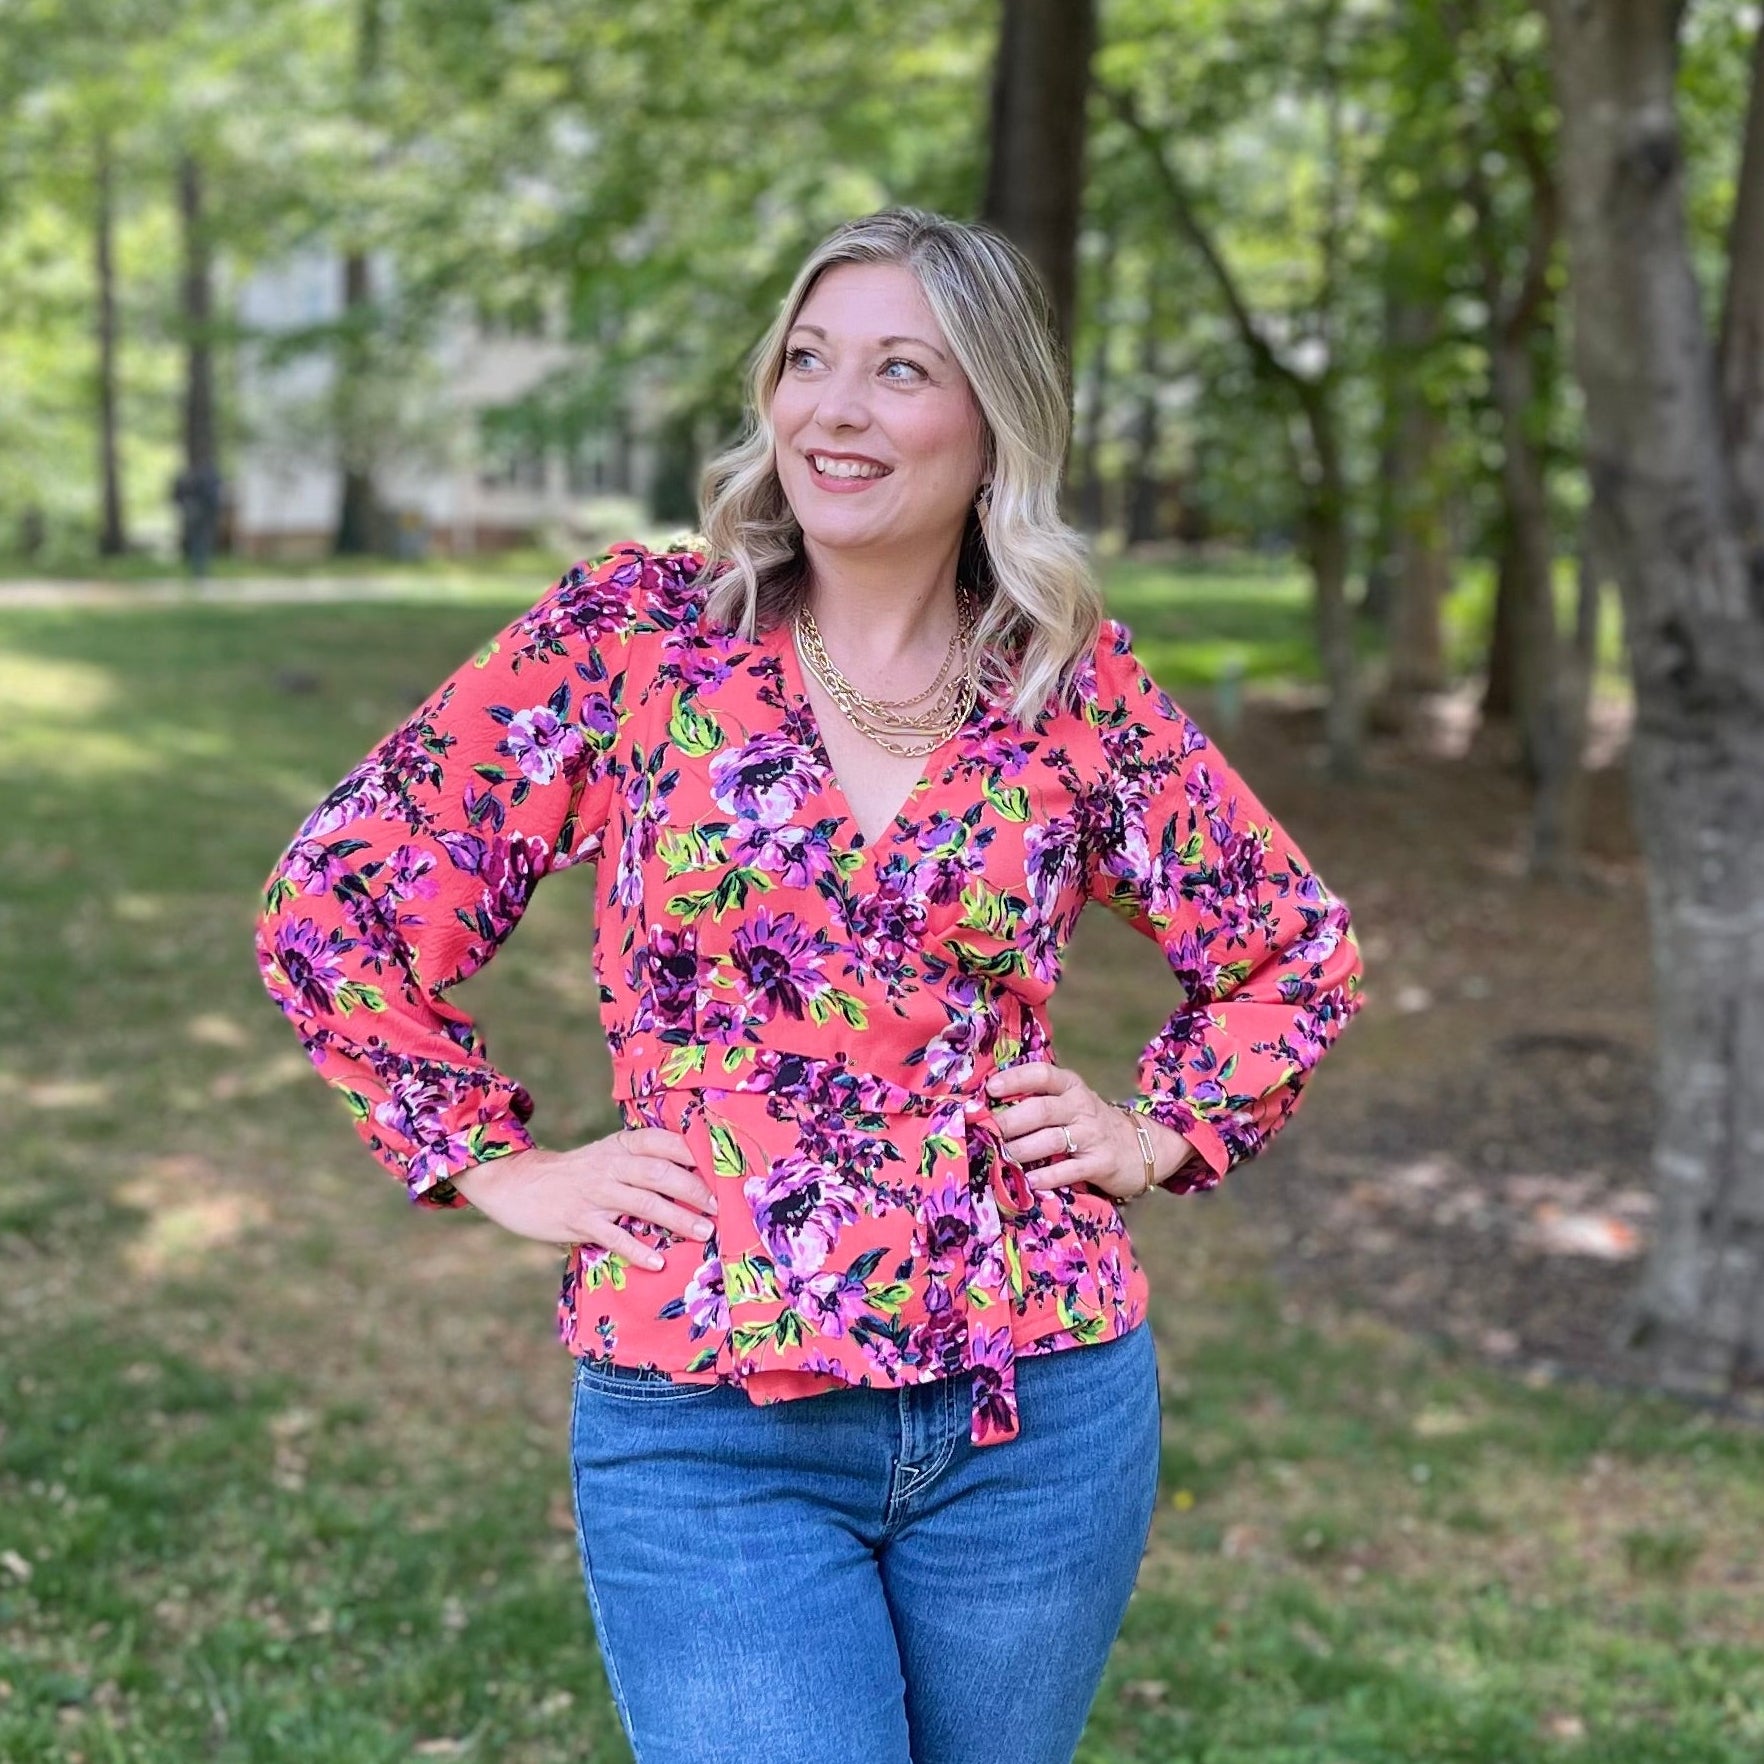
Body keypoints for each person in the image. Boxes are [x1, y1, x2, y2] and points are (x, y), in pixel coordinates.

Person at [253, 206, 1364, 1764]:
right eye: (807, 359)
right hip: (707, 1411)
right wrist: (491, 1161)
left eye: (901, 369)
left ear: (991, 428)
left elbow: (1289, 947)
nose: (834, 409)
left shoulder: (1064, 683)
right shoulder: (635, 632)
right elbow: (343, 900)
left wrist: (1161, 1132)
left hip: (1034, 1411)